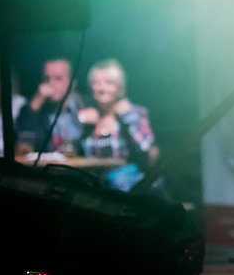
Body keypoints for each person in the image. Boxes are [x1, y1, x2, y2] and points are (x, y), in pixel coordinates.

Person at [78, 59, 159, 190]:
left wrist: (128, 117)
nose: (102, 88)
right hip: (93, 185)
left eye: (109, 83)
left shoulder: (134, 114)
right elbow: (65, 150)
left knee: (119, 181)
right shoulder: (84, 117)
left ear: (120, 88)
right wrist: (79, 121)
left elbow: (146, 148)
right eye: (96, 83)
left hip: (125, 186)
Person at [14, 58, 83, 156]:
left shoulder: (82, 106)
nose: (51, 84)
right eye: (47, 79)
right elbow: (24, 140)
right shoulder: (34, 110)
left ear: (72, 83)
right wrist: (35, 105)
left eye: (58, 78)